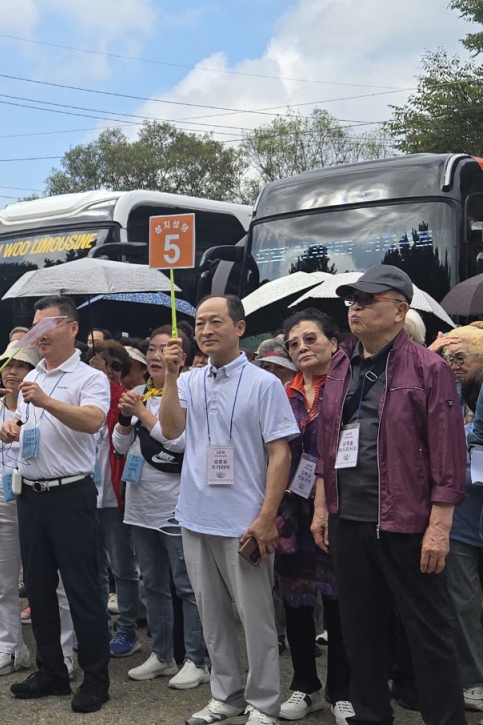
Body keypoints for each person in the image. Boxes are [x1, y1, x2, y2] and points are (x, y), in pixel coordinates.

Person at [314, 265, 467, 725]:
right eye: (351, 301)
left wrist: (439, 528)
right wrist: (322, 505)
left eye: (367, 300)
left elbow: (448, 452)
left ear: (400, 310)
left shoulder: (428, 366)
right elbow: (328, 439)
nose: (354, 308)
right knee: (360, 633)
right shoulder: (341, 362)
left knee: (429, 635)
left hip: (407, 523)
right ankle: (371, 717)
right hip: (348, 519)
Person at [159, 295, 299, 725]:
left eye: (215, 322)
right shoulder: (189, 381)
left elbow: (280, 455)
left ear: (239, 328)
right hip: (195, 514)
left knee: (255, 619)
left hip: (244, 519)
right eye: (199, 323)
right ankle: (226, 694)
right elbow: (170, 430)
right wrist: (170, 375)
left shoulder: (264, 383)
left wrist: (266, 516)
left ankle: (263, 702)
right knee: (212, 615)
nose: (205, 331)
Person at [0, 296, 112, 714]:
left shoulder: (88, 377)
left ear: (71, 329)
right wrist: (14, 426)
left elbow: (93, 421)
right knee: (40, 589)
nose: (39, 337)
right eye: (34, 329)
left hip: (71, 494)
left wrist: (45, 401)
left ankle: (96, 679)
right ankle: (52, 670)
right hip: (31, 494)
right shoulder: (35, 378)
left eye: (47, 327)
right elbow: (33, 428)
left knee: (82, 590)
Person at [0, 340, 77, 679]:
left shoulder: (46, 407)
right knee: (2, 582)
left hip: (39, 499)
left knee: (53, 582)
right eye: (7, 364)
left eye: (22, 365)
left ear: (36, 371)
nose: (13, 371)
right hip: (0, 501)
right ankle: (9, 646)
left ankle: (65, 651)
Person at [113, 325, 208, 690]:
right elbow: (120, 449)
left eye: (165, 349)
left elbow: (180, 442)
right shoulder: (137, 392)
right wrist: (125, 418)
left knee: (185, 585)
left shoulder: (186, 390)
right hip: (140, 503)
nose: (155, 355)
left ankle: (197, 658)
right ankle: (163, 654)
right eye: (151, 348)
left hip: (176, 503)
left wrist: (143, 413)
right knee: (152, 583)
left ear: (180, 356)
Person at [277, 310, 353, 723]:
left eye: (309, 339)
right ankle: (306, 686)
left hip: (339, 507)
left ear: (333, 342)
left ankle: (343, 689)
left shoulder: (350, 387)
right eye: (293, 343)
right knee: (295, 599)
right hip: (291, 508)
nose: (301, 348)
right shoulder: (281, 393)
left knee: (339, 601)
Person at [87, 339, 143, 660]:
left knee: (123, 568)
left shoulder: (124, 401)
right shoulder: (78, 398)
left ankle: (128, 630)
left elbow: (113, 413)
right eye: (100, 361)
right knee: (93, 567)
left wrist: (100, 379)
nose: (108, 369)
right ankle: (98, 628)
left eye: (116, 365)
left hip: (115, 498)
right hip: (85, 496)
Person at [449, 363, 483, 713]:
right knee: (463, 607)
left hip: (461, 530)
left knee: (465, 608)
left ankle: (474, 680)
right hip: (460, 531)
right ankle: (472, 679)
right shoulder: (462, 435)